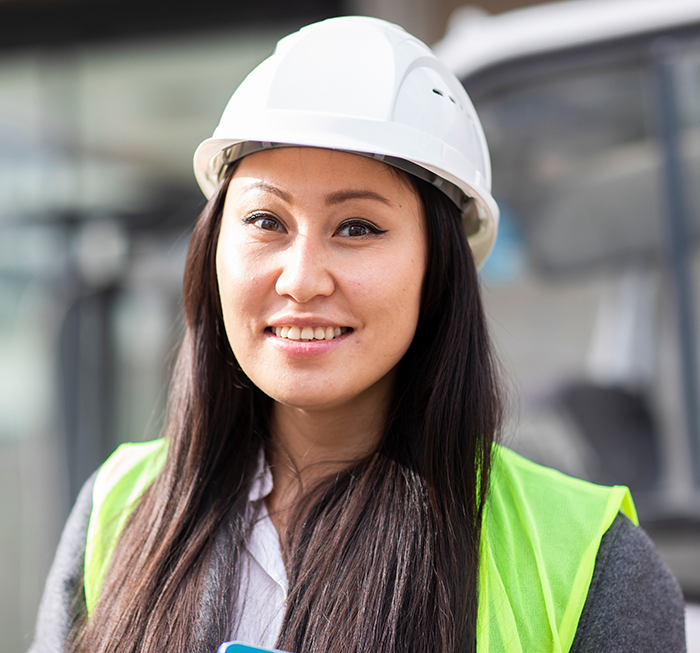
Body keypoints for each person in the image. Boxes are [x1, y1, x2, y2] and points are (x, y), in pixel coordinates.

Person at [29, 16, 685, 653]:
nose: (302, 278)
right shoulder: (116, 510)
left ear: (439, 267)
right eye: (265, 220)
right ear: (212, 248)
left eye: (357, 228)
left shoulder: (588, 562)